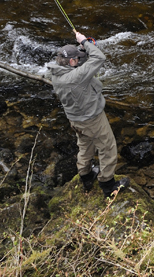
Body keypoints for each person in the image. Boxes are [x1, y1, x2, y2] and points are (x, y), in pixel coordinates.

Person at [47, 30, 128, 196]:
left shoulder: (55, 72)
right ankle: (108, 185)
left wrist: (82, 50)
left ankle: (86, 175)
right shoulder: (76, 77)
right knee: (108, 148)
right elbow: (99, 58)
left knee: (85, 146)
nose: (78, 60)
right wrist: (84, 42)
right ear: (71, 61)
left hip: (75, 120)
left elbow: (79, 64)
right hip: (92, 119)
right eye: (75, 59)